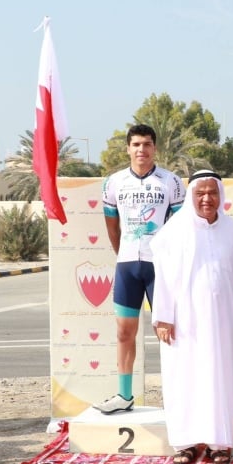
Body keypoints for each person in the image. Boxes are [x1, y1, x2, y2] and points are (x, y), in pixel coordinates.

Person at [151, 170, 233, 464]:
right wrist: (164, 317)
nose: (207, 199)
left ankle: (219, 442)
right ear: (191, 195)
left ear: (220, 196)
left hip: (222, 321)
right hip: (183, 322)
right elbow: (164, 277)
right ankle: (184, 442)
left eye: (212, 193)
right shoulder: (174, 231)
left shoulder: (232, 229)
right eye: (200, 193)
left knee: (220, 378)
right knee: (184, 378)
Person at [95, 125, 185, 414]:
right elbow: (112, 226)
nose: (141, 150)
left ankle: (178, 396)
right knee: (124, 332)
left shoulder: (171, 182)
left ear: (154, 148)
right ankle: (124, 395)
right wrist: (123, 252)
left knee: (168, 332)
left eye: (147, 144)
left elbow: (179, 227)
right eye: (136, 144)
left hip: (160, 267)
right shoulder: (114, 183)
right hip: (127, 266)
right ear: (128, 148)